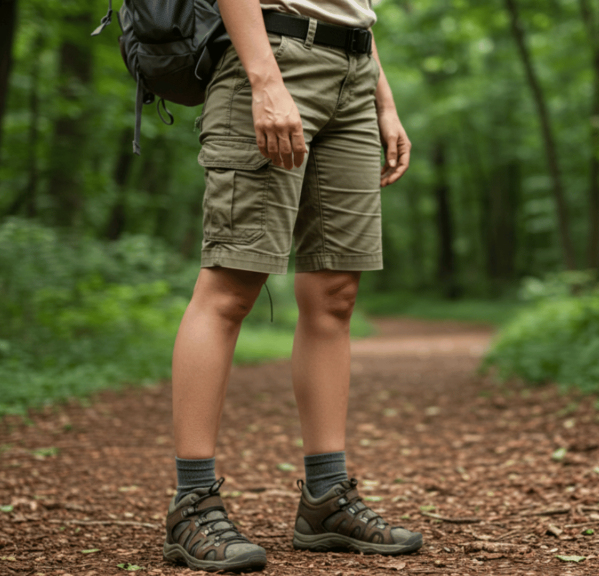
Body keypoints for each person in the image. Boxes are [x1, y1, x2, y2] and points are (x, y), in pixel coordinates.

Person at [160, 0, 418, 571]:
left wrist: (384, 97)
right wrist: (263, 79)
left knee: (335, 296)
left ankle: (326, 499)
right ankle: (192, 504)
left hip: (354, 69)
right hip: (273, 56)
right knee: (232, 285)